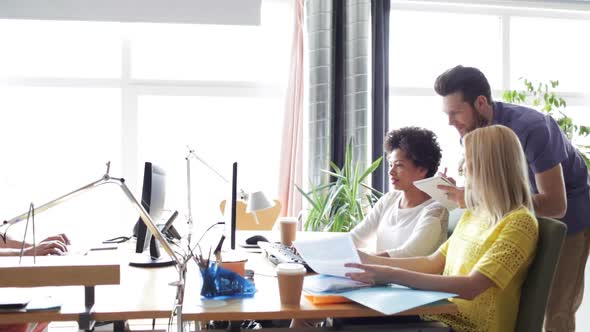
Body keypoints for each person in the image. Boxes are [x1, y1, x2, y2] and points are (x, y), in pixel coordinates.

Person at [434, 65, 590, 332]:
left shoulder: (533, 128)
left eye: (456, 112)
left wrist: (478, 198)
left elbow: (555, 203)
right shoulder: (470, 134)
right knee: (517, 301)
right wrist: (464, 192)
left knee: (555, 308)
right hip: (517, 217)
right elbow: (489, 192)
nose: (450, 122)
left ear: (481, 102)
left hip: (570, 217)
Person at [345, 125, 539, 332]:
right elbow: (432, 262)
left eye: (468, 161)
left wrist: (390, 274)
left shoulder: (519, 223)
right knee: (339, 324)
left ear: (488, 167)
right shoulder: (475, 213)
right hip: (440, 319)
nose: (462, 167)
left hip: (466, 328)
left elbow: (471, 287)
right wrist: (361, 260)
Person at [350, 126, 449, 257]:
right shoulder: (389, 199)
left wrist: (363, 259)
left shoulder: (436, 209)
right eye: (391, 164)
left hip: (408, 277)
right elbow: (356, 237)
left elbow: (409, 254)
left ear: (422, 169)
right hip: (378, 275)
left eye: (399, 165)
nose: (391, 171)